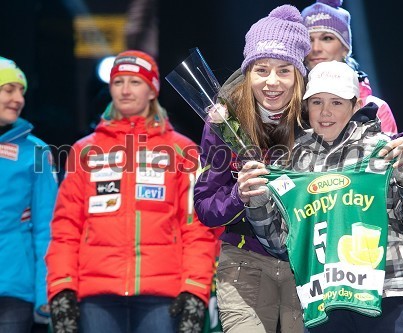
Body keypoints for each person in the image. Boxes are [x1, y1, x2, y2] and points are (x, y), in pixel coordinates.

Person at [239, 61, 403, 332]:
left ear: (355, 106)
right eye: (317, 102)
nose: (325, 112)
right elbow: (279, 244)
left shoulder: (386, 149)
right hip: (324, 303)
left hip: (391, 293)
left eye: (336, 102)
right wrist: (257, 202)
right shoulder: (290, 163)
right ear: (305, 106)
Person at [46, 50, 217, 333]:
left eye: (135, 82)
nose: (125, 90)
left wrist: (195, 289)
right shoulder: (84, 150)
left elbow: (196, 227)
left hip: (162, 296)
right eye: (118, 81)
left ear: (152, 90)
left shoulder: (182, 150)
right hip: (96, 295)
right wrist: (61, 288)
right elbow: (66, 228)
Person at [194, 5, 311, 332]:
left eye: (284, 70)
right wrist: (238, 194)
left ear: (299, 74)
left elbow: (369, 127)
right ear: (248, 72)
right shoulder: (224, 121)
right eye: (261, 69)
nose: (272, 82)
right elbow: (204, 207)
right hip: (244, 263)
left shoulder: (315, 115)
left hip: (306, 263)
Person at [0, 56, 58, 332]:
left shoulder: (37, 151)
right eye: (8, 89)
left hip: (14, 287)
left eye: (21, 91)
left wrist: (45, 292)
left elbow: (46, 227)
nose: (17, 98)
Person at [301, 0, 398, 135]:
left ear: (345, 48)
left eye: (327, 38)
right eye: (309, 40)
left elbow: (390, 155)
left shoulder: (375, 109)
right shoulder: (287, 106)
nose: (315, 48)